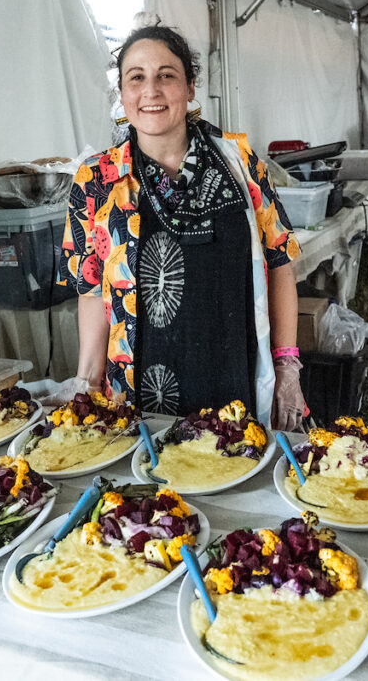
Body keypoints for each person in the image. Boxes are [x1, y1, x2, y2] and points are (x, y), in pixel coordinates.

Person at [57, 25, 306, 431]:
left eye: (166, 75)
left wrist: (288, 366)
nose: (150, 90)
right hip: (136, 396)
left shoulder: (240, 165)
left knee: (233, 472)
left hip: (234, 377)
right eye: (136, 77)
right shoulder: (96, 180)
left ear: (190, 88)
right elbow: (91, 291)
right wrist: (87, 381)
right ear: (122, 94)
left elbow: (279, 264)